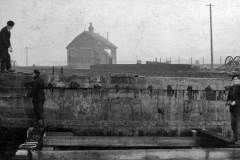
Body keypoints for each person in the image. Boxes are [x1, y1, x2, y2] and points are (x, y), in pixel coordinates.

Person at [227, 75, 240, 143]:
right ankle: (235, 138)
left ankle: (238, 139)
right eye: (234, 79)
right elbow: (228, 97)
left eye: (236, 79)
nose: (235, 80)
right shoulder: (231, 88)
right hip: (232, 109)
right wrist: (228, 101)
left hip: (238, 109)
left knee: (238, 125)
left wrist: (236, 102)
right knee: (233, 124)